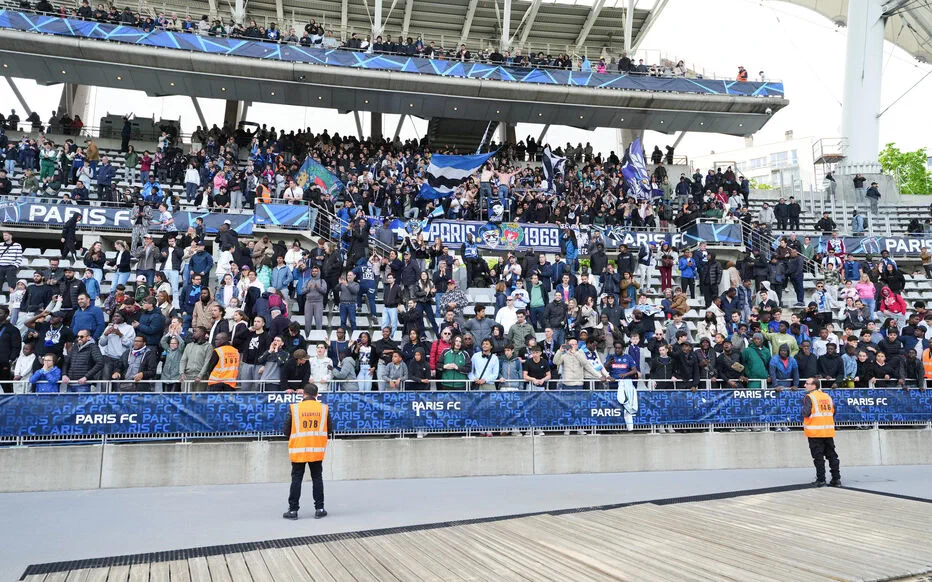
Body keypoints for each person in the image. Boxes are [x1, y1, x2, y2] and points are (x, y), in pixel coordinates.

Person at [283, 383, 333, 520]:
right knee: (317, 478)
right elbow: (330, 429)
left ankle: (293, 511)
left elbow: (285, 430)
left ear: (303, 394)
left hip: (298, 449)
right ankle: (320, 508)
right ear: (316, 395)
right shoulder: (324, 408)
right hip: (316, 450)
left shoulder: (294, 408)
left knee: (296, 479)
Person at [801, 377, 841, 487]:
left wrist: (802, 411)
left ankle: (821, 479)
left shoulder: (809, 397)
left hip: (815, 432)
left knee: (818, 457)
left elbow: (806, 413)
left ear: (814, 385)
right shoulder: (827, 396)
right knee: (832, 456)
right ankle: (836, 479)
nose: (805, 385)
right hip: (828, 431)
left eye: (807, 383)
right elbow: (833, 411)